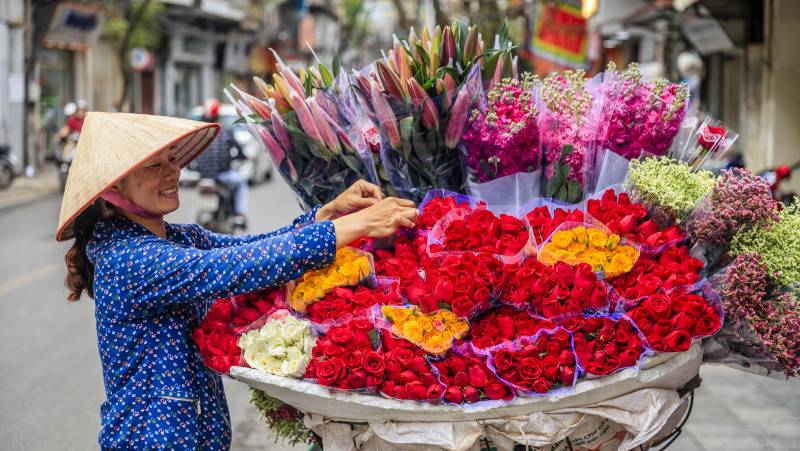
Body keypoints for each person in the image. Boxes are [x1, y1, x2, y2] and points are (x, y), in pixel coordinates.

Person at [56, 112, 418, 450]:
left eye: (171, 159)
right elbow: (234, 268)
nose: (172, 172)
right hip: (150, 439)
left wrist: (325, 215)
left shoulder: (179, 237)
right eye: (154, 165)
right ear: (114, 190)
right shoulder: (129, 259)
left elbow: (252, 247)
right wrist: (351, 227)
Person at [194, 98, 249, 223]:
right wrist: (241, 157)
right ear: (217, 115)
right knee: (240, 183)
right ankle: (240, 214)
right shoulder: (224, 131)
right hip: (222, 175)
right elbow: (239, 151)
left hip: (203, 177)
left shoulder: (199, 133)